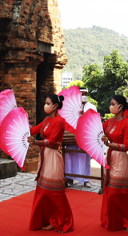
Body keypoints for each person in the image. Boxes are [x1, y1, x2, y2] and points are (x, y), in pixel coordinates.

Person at [27, 94, 74, 232]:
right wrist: (21, 123)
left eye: (48, 103)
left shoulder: (59, 121)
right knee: (44, 191)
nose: (45, 105)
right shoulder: (47, 119)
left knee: (54, 193)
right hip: (45, 156)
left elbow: (52, 141)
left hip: (53, 156)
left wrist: (36, 142)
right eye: (45, 102)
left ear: (55, 106)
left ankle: (62, 220)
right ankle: (49, 219)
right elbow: (33, 130)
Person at [100, 95, 128, 233]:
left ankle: (127, 222)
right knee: (109, 191)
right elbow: (98, 130)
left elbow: (126, 146)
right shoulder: (109, 122)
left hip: (120, 158)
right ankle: (110, 220)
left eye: (113, 104)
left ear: (120, 107)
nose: (111, 106)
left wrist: (110, 144)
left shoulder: (127, 124)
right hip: (110, 156)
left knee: (118, 192)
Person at [64, 88, 97, 187]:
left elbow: (94, 121)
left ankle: (86, 179)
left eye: (85, 93)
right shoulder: (71, 107)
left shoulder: (92, 107)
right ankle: (69, 178)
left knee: (85, 158)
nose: (84, 95)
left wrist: (84, 116)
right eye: (81, 93)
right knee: (69, 156)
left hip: (85, 137)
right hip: (72, 137)